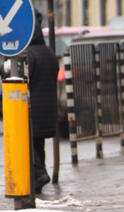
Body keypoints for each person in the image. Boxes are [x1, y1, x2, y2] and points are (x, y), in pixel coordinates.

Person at [27, 10, 59, 193]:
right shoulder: (48, 53)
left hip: (32, 111)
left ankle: (39, 173)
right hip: (48, 111)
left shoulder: (29, 55)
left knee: (27, 144)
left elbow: (23, 80)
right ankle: (37, 183)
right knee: (38, 145)